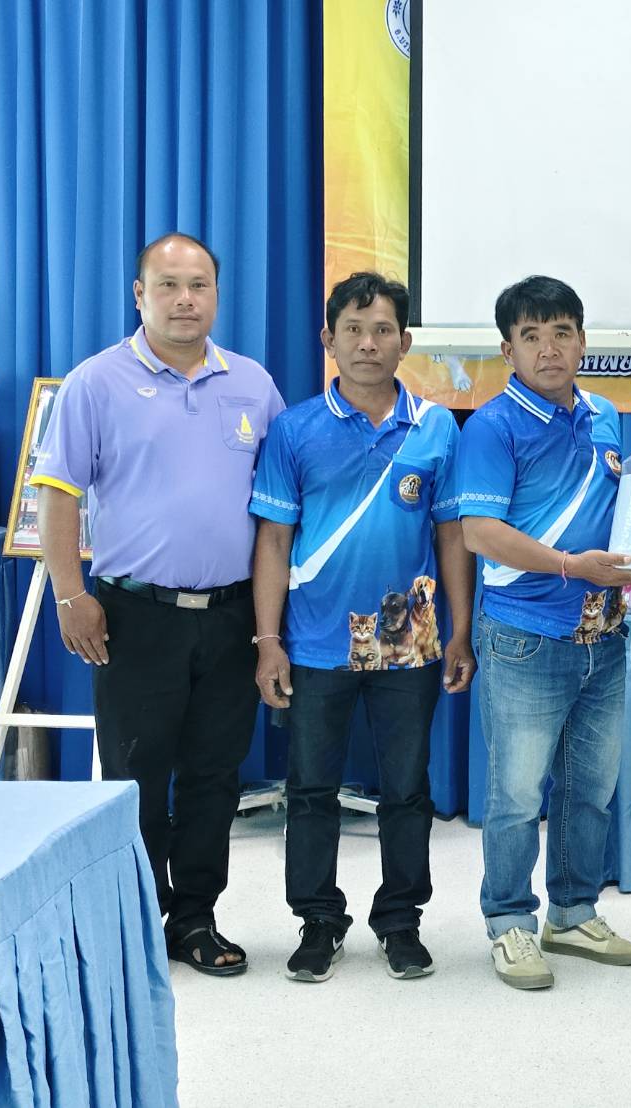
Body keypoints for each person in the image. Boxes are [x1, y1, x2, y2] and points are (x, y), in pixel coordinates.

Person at [33, 232, 284, 976]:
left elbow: (278, 509)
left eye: (199, 285)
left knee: (214, 775)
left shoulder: (252, 384)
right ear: (139, 295)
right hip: (133, 616)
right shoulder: (96, 383)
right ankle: (137, 917)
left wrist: (268, 628)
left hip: (231, 615)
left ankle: (196, 918)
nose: (184, 300)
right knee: (136, 775)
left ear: (216, 295)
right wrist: (70, 594)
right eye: (167, 285)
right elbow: (57, 496)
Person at [249, 272, 475, 983]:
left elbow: (451, 537)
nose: (368, 343)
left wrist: (460, 631)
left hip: (410, 639)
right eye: (353, 329)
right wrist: (267, 642)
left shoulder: (436, 426)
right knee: (311, 789)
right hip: (316, 641)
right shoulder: (294, 430)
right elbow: (273, 542)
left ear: (405, 341)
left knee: (406, 789)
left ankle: (400, 921)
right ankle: (318, 920)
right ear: (329, 339)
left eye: (382, 331)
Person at [456, 275, 631, 990]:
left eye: (561, 333)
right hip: (524, 636)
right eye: (531, 337)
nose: (548, 349)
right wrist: (571, 566)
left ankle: (571, 914)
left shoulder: (604, 415)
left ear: (582, 341)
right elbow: (479, 532)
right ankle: (509, 921)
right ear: (508, 351)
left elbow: (626, 514)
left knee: (590, 790)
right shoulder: (492, 427)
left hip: (605, 634)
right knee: (515, 796)